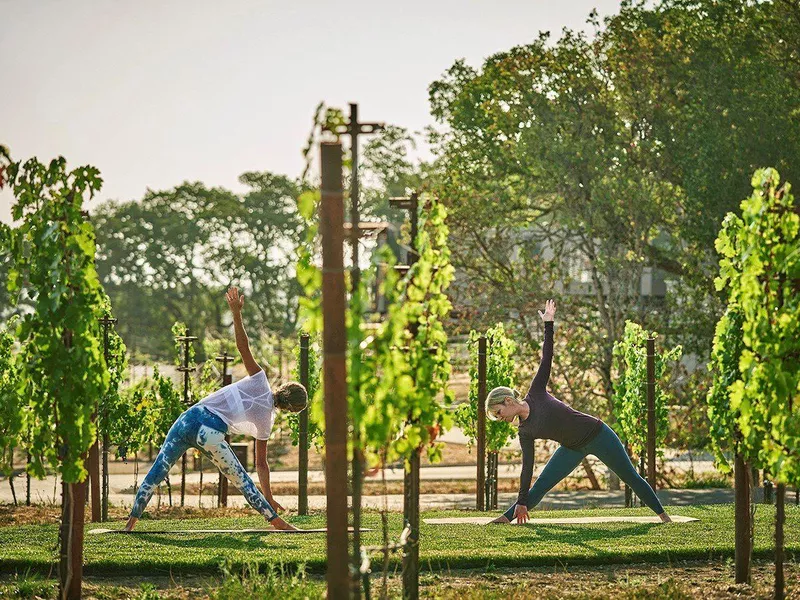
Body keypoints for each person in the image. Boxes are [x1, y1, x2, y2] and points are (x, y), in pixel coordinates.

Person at [124, 287, 307, 532]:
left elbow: (243, 348)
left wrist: (236, 313)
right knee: (242, 480)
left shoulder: (260, 379)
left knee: (158, 470)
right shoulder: (266, 421)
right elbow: (261, 465)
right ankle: (277, 522)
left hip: (187, 418)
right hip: (208, 431)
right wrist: (269, 497)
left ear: (284, 386)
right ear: (291, 410)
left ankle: (131, 522)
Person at [488, 299, 671, 525]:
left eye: (498, 412)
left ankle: (664, 517)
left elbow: (547, 357)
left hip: (598, 435)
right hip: (571, 448)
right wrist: (522, 501)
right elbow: (527, 468)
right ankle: (506, 519)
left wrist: (549, 324)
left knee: (630, 477)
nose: (500, 418)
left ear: (508, 400)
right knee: (541, 485)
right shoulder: (524, 431)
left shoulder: (536, 392)